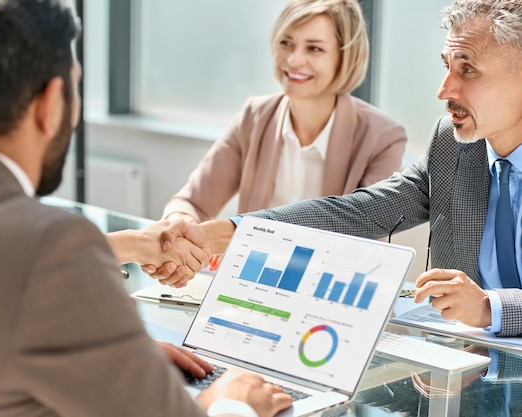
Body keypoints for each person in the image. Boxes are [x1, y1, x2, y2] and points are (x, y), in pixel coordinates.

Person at [0, 1, 292, 416]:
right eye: (76, 87)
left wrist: (107, 353)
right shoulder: (54, 248)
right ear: (51, 102)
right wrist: (232, 402)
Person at [155, 0, 522, 338]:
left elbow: (477, 307)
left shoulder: (384, 132)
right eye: (447, 67)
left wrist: (492, 308)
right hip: (471, 378)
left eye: (468, 70)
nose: (443, 90)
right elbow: (356, 212)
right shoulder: (452, 146)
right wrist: (229, 232)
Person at [161, 0, 406, 225]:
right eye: (286, 43)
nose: (293, 60)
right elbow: (191, 202)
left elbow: (366, 233)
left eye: (314, 49)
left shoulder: (382, 138)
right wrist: (181, 223)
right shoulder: (254, 118)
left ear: (345, 58)